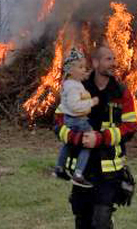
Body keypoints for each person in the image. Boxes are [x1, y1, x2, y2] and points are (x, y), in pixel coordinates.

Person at [55, 45, 137, 229]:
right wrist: (76, 138)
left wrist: (101, 138)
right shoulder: (78, 87)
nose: (114, 63)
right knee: (82, 219)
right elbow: (59, 121)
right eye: (109, 59)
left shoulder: (121, 92)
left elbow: (130, 127)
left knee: (101, 220)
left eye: (114, 59)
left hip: (109, 170)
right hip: (82, 169)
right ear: (95, 62)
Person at [55, 48, 100, 187]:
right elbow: (75, 106)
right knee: (88, 143)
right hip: (78, 121)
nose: (83, 70)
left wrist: (88, 74)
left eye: (84, 67)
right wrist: (91, 102)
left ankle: (60, 168)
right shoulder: (73, 87)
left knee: (68, 144)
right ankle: (78, 174)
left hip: (69, 120)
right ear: (70, 70)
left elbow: (81, 80)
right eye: (80, 67)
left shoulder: (70, 83)